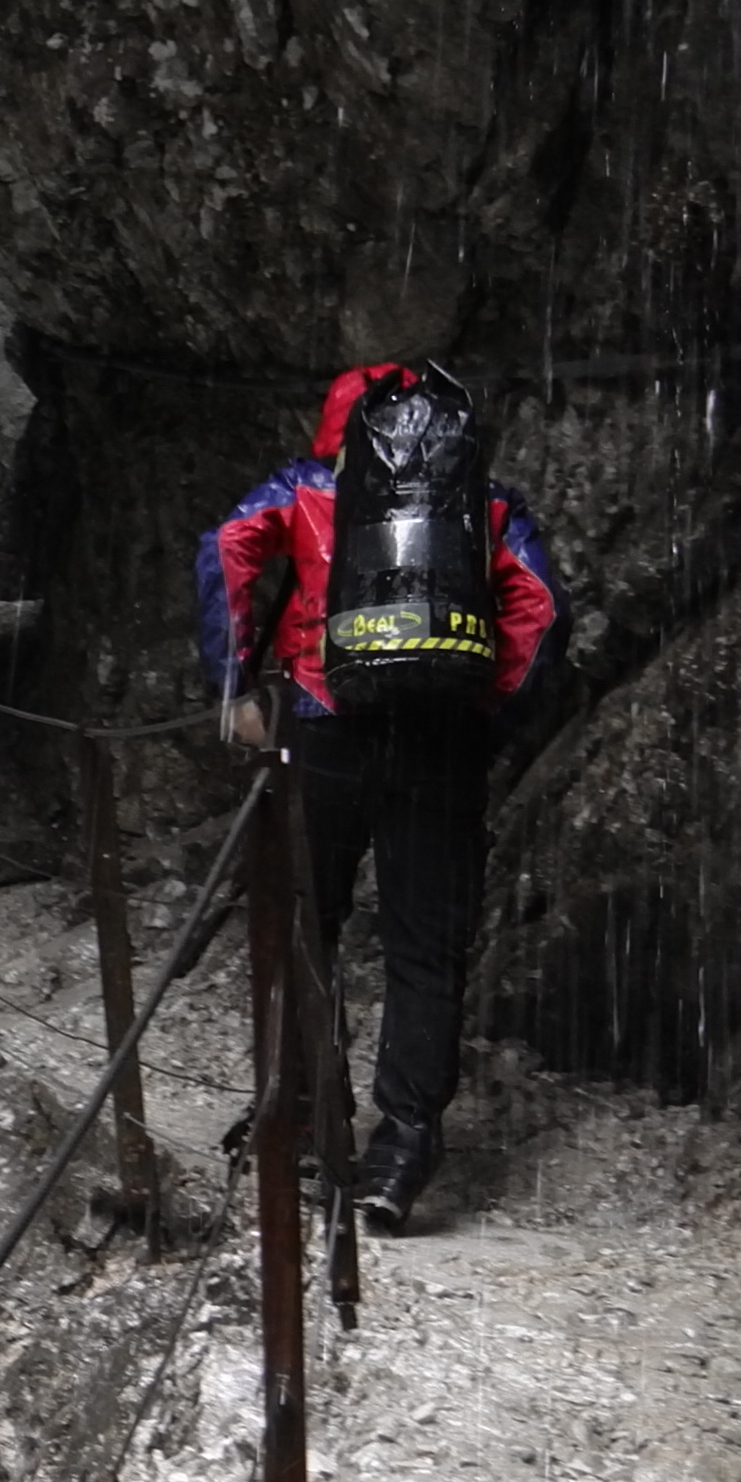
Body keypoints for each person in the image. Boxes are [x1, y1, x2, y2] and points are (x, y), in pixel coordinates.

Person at [194, 359, 563, 1233]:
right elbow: (542, 611)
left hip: (322, 723)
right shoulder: (485, 503)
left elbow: (226, 550)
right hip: (440, 741)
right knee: (424, 950)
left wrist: (235, 685)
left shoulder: (305, 487)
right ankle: (403, 1147)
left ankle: (307, 1121)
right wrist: (490, 712)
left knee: (305, 925)